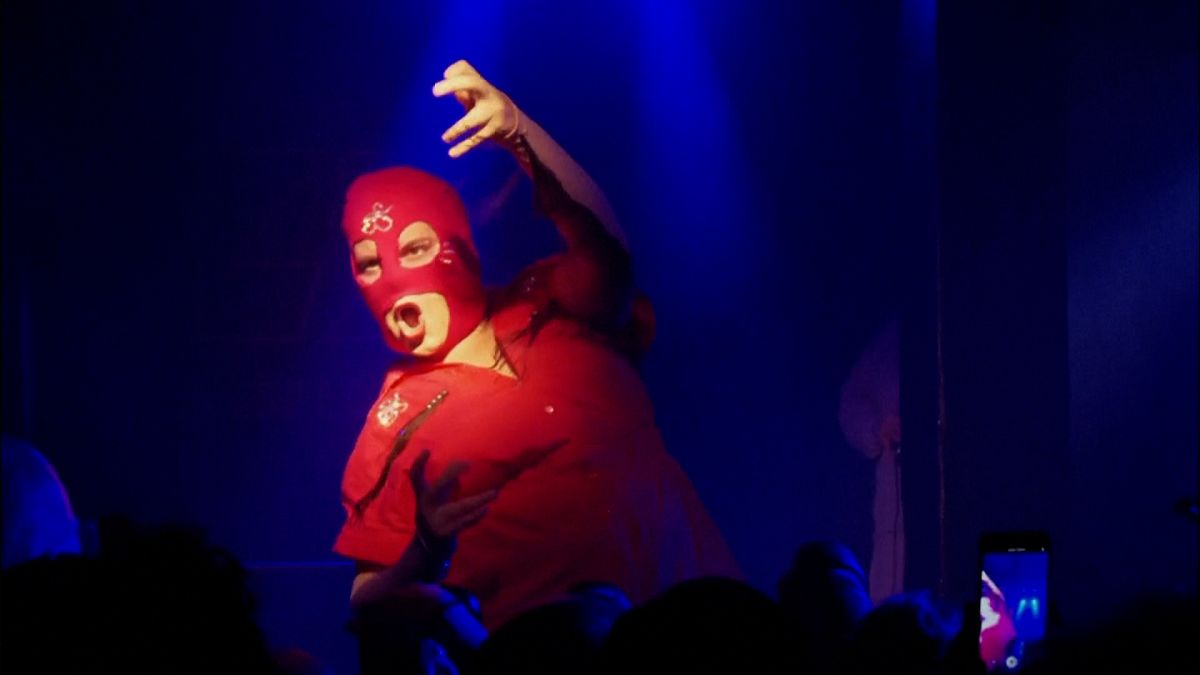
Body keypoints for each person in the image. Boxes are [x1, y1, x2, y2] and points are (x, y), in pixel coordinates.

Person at [333, 60, 738, 631]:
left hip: (702, 626)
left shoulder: (549, 305)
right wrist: (423, 549)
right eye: (367, 264)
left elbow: (610, 256)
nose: (393, 279)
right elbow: (364, 606)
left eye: (417, 247)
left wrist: (521, 133)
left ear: (460, 246)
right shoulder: (392, 426)